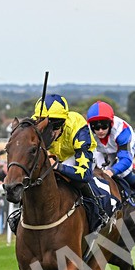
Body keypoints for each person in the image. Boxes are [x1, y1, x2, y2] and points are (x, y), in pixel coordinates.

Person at [34, 94, 110, 231]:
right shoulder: (35, 127)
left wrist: (57, 166)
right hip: (55, 156)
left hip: (75, 155)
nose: (51, 130)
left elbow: (85, 174)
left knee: (75, 179)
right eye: (47, 124)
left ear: (64, 120)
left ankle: (97, 210)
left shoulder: (78, 127)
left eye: (56, 123)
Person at [86, 100, 135, 210]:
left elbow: (126, 160)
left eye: (104, 126)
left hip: (119, 147)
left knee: (124, 172)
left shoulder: (122, 131)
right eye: (96, 127)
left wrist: (110, 172)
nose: (100, 131)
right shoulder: (86, 131)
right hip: (100, 149)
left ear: (111, 123)